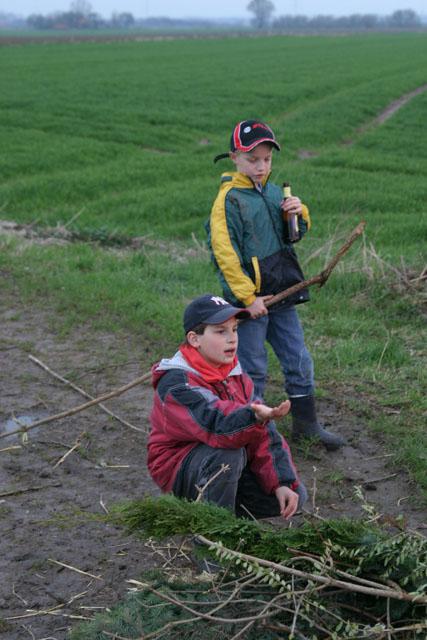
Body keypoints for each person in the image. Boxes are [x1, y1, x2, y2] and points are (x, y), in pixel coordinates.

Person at [206, 119, 345, 450]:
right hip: (251, 303)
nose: (261, 166)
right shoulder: (228, 201)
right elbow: (225, 256)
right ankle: (251, 435)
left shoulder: (272, 192)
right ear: (234, 157)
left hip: (282, 293)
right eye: (252, 159)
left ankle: (307, 426)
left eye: (267, 159)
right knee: (252, 367)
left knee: (298, 358)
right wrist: (247, 298)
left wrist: (300, 213)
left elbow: (292, 236)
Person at [147, 294, 307, 521]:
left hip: (219, 457)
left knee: (292, 494)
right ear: (194, 339)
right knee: (227, 455)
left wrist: (281, 482)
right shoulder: (176, 383)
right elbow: (215, 424)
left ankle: (225, 513)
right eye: (221, 331)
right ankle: (212, 532)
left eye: (235, 329)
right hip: (177, 467)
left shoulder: (236, 375)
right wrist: (253, 416)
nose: (232, 339)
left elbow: (265, 437)